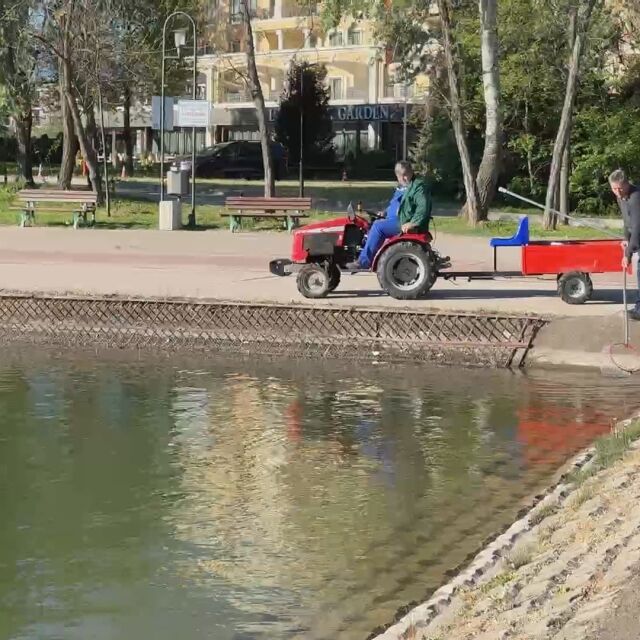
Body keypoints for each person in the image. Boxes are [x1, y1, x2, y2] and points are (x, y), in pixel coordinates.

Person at [347, 160, 432, 270]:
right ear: (397, 176)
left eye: (407, 174)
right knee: (368, 225)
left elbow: (423, 208)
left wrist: (413, 223)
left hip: (404, 222)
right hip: (395, 218)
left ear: (411, 171)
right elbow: (396, 204)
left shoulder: (418, 187)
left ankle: (363, 262)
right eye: (402, 176)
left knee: (378, 227)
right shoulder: (402, 187)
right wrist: (385, 212)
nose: (405, 178)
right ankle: (360, 252)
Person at [610, 169, 640, 319]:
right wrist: (626, 239)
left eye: (620, 188)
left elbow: (637, 227)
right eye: (614, 188)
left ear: (627, 184)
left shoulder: (635, 198)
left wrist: (628, 255)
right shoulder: (621, 198)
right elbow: (626, 222)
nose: (617, 192)